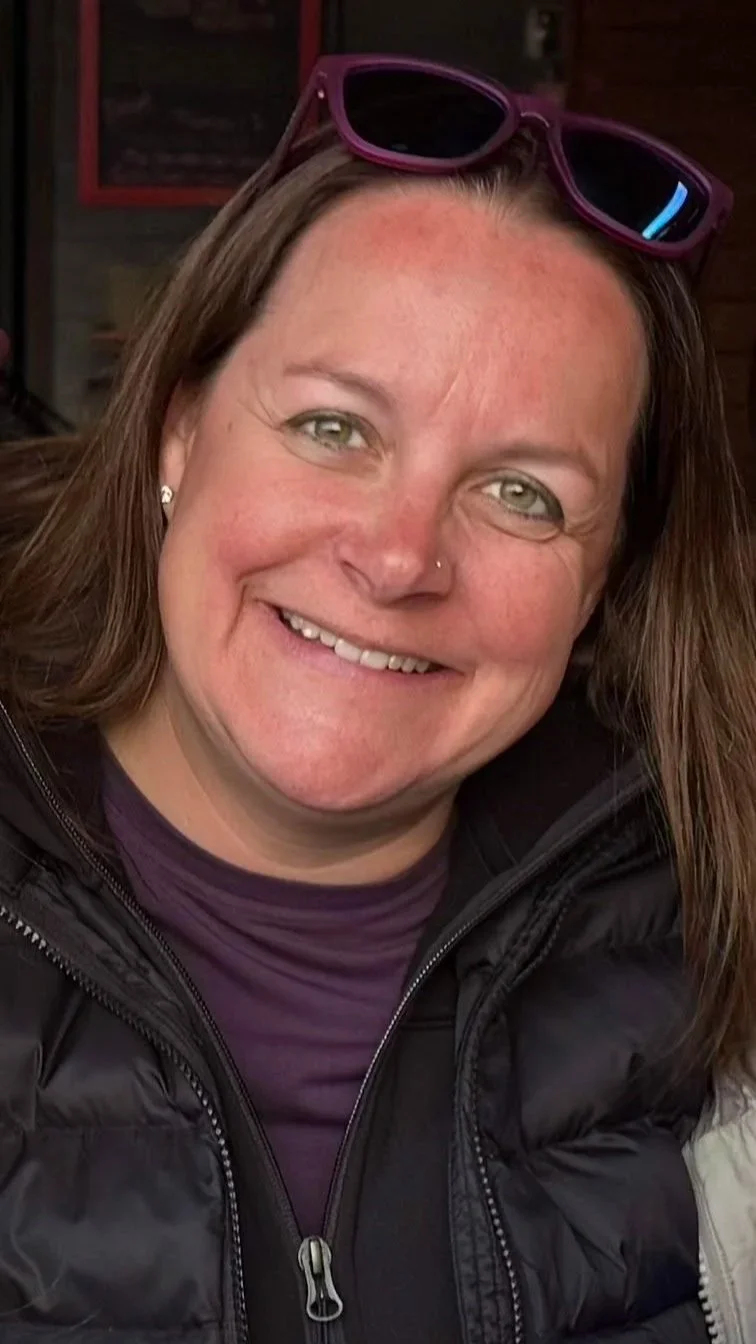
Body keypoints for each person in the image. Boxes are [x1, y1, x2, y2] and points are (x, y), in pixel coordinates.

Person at [0, 53, 754, 1344]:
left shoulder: (722, 958)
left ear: (604, 581)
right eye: (334, 428)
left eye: (524, 492)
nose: (400, 557)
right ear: (181, 431)